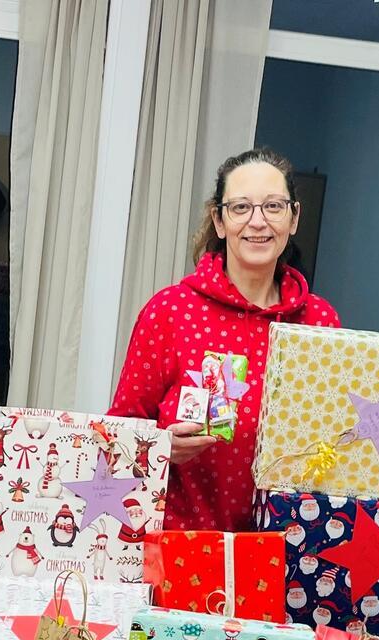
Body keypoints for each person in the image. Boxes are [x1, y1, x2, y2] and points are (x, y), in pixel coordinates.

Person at [108, 147, 340, 531]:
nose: (258, 222)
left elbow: (335, 439)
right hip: (182, 548)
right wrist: (163, 448)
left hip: (288, 553)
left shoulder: (320, 321)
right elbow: (118, 437)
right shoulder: (170, 311)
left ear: (294, 218)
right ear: (219, 221)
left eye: (273, 206)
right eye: (240, 208)